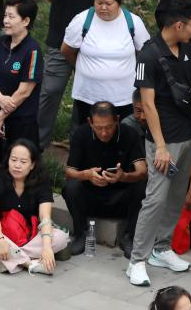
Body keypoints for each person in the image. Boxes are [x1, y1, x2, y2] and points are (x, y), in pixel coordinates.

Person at [126, 0, 191, 287]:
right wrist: (160, 146)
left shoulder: (186, 49)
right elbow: (148, 104)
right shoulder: (148, 55)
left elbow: (188, 91)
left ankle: (162, 248)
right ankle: (137, 260)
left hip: (186, 135)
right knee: (155, 199)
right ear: (179, 25)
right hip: (163, 140)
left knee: (175, 196)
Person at [36, 0, 117, 150]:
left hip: (95, 45)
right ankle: (38, 144)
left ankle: (80, 143)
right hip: (59, 41)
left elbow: (113, 0)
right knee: (50, 91)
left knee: (86, 96)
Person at [63, 101, 148, 257]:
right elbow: (69, 172)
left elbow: (142, 171)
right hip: (90, 199)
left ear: (117, 120)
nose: (104, 133)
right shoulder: (81, 134)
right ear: (90, 122)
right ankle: (81, 234)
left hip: (120, 199)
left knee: (140, 187)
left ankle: (129, 236)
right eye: (98, 128)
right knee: (71, 187)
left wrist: (124, 176)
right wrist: (86, 175)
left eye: (109, 127)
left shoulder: (129, 134)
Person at [61, 0, 150, 124]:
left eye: (108, 3)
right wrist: (82, 68)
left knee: (122, 133)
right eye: (99, 3)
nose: (103, 8)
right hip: (88, 96)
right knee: (87, 132)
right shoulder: (82, 20)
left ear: (119, 2)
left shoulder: (133, 22)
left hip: (124, 97)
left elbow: (145, 54)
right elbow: (67, 50)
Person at [0, 139, 69, 275]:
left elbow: (45, 217)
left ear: (32, 165)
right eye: (13, 160)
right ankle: (30, 264)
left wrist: (47, 247)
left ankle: (6, 259)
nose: (17, 165)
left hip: (30, 236)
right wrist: (0, 240)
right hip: (3, 234)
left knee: (61, 238)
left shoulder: (42, 181)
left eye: (23, 162)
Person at [0, 0, 44, 174]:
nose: (6, 21)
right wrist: (0, 99)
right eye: (5, 16)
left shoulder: (32, 50)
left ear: (26, 21)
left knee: (17, 167)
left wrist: (2, 115)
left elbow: (24, 91)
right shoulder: (2, 41)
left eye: (11, 17)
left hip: (20, 121)